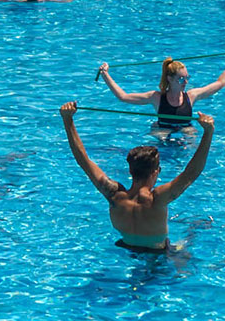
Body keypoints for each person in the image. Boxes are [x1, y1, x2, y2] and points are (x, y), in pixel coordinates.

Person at [61, 100, 215, 252]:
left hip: (127, 248)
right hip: (159, 255)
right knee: (189, 239)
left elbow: (83, 160)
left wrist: (67, 120)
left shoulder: (114, 195)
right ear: (156, 172)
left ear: (130, 171)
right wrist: (208, 133)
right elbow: (191, 173)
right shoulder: (157, 199)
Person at [97, 49, 225, 132]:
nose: (186, 82)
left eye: (187, 78)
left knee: (191, 140)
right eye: (181, 79)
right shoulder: (156, 97)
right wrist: (105, 75)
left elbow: (220, 83)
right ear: (170, 79)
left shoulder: (191, 96)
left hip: (185, 131)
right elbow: (123, 96)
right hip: (162, 131)